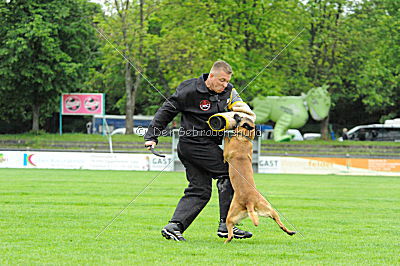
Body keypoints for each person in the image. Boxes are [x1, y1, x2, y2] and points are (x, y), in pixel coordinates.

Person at [144, 60, 254, 241]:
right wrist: (151, 137)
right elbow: (166, 111)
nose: (225, 85)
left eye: (227, 81)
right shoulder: (188, 90)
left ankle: (174, 226)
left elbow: (241, 109)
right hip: (193, 143)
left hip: (208, 144)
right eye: (222, 81)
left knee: (200, 190)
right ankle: (227, 226)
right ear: (211, 76)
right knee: (229, 174)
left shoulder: (229, 91)